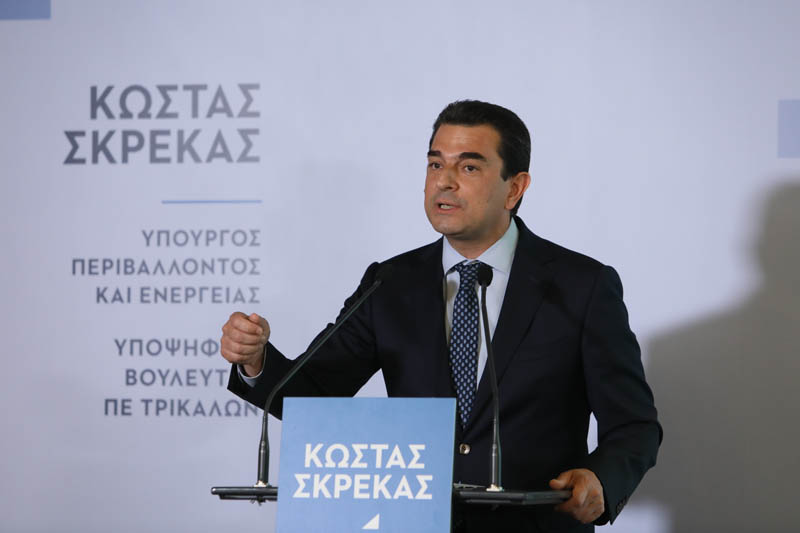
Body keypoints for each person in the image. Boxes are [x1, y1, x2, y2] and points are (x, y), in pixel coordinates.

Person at [220, 100, 662, 532]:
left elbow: (634, 425)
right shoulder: (389, 283)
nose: (444, 182)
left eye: (468, 167)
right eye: (435, 165)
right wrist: (256, 363)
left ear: (514, 188)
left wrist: (601, 479)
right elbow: (314, 396)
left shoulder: (582, 286)